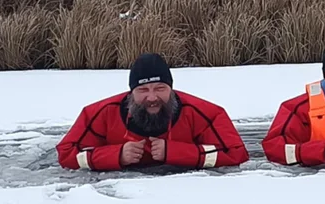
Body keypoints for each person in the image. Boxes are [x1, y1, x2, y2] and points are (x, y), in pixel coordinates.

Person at [56, 52, 250, 171]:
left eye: (159, 88)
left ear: (171, 89)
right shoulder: (100, 113)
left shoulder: (205, 113)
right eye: (143, 90)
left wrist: (175, 152)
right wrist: (116, 155)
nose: (151, 98)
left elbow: (236, 153)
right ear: (131, 92)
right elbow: (66, 154)